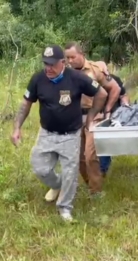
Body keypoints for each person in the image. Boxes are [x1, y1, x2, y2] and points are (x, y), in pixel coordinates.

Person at [10, 45, 108, 221]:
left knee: (70, 172)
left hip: (70, 135)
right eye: (45, 64)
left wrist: (92, 115)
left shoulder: (77, 78)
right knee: (40, 168)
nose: (48, 68)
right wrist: (17, 128)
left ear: (62, 63)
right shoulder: (38, 79)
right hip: (47, 133)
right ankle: (58, 185)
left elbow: (101, 93)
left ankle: (65, 208)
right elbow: (26, 103)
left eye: (52, 64)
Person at [59, 41, 121, 199]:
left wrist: (107, 110)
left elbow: (115, 88)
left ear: (82, 54)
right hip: (73, 117)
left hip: (93, 116)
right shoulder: (64, 72)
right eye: (68, 58)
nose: (70, 61)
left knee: (90, 155)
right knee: (78, 156)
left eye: (73, 57)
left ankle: (96, 191)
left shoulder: (95, 69)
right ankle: (89, 182)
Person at [95, 61, 130, 176]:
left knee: (104, 141)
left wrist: (126, 107)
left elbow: (123, 95)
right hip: (96, 114)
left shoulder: (114, 79)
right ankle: (101, 167)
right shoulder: (90, 80)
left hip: (113, 115)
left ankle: (103, 168)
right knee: (98, 141)